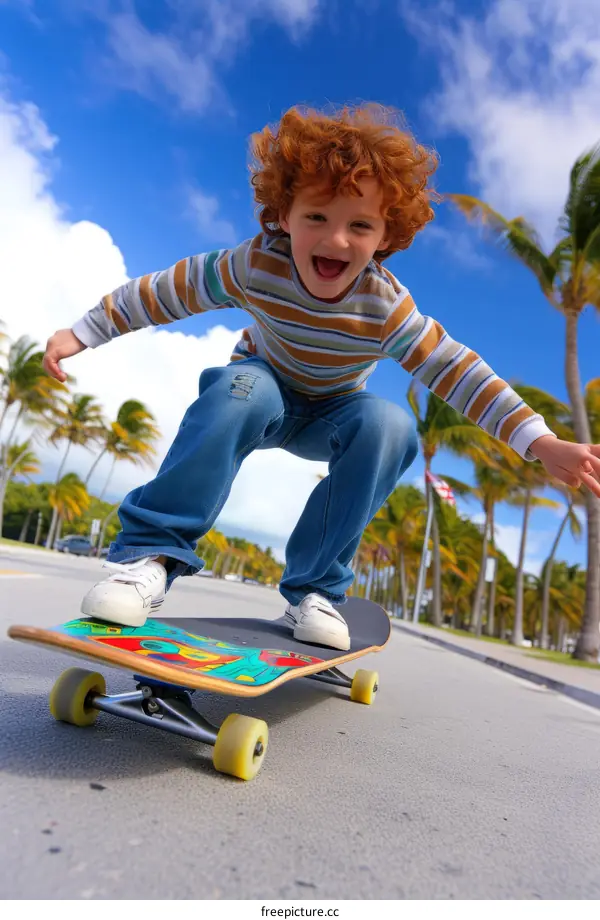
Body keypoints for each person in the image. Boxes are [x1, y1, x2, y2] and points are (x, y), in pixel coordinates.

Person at [43, 104, 600, 652]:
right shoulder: (254, 265)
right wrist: (84, 331)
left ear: (385, 235)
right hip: (259, 394)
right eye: (317, 218)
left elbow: (457, 371)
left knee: (390, 425)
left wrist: (540, 440)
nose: (336, 241)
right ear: (284, 216)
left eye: (359, 225)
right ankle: (149, 556)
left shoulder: (386, 308)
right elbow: (167, 290)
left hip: (331, 416)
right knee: (245, 389)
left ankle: (313, 590)